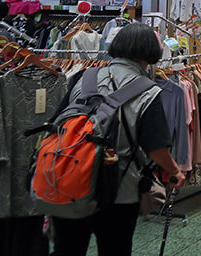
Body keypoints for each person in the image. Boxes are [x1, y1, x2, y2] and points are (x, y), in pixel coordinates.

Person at [50, 24, 185, 256]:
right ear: (151, 53)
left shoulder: (84, 77)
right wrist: (175, 171)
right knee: (115, 249)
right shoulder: (148, 91)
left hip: (69, 177)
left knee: (68, 249)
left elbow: (56, 124)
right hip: (118, 187)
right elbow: (155, 148)